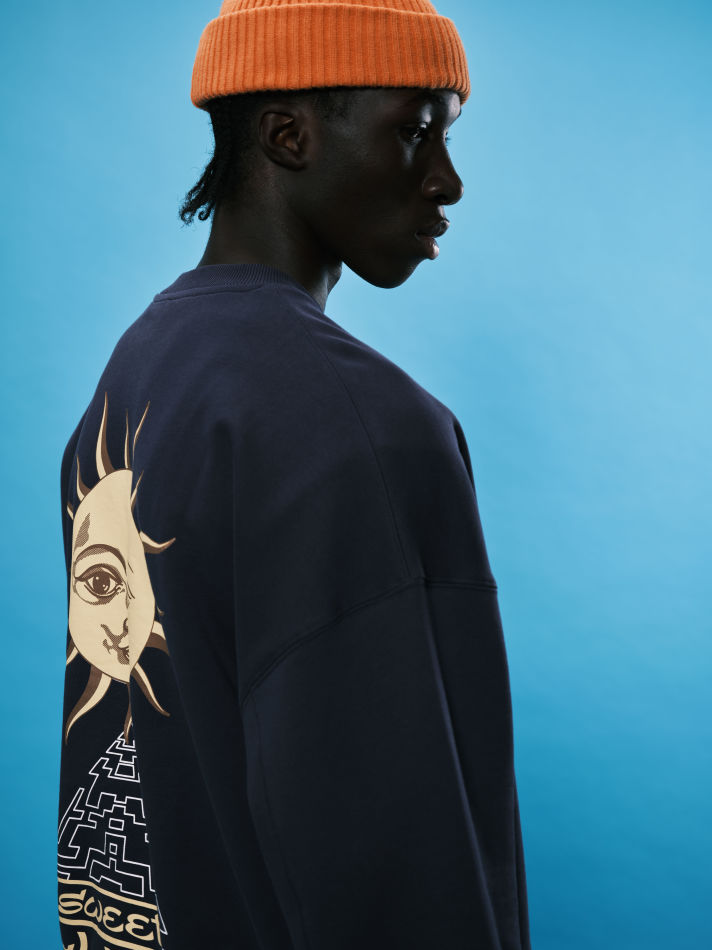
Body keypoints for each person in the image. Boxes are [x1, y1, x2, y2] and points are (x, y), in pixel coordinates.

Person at [57, 1, 532, 948]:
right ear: (288, 136)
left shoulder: (131, 381)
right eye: (415, 130)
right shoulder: (367, 429)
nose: (448, 179)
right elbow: (395, 864)